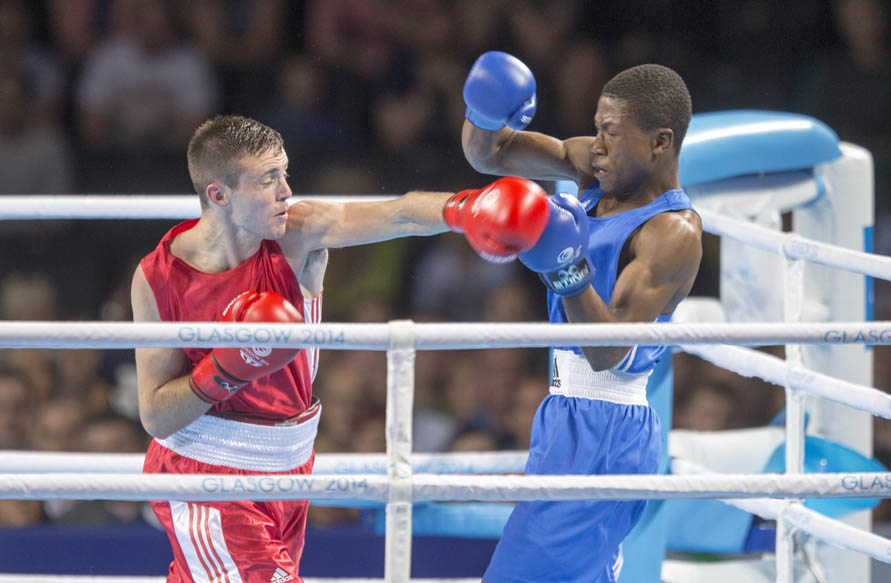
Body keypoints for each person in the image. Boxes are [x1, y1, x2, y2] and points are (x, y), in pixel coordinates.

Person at [131, 114, 471, 582]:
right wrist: (224, 372)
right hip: (205, 474)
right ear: (219, 194)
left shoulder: (298, 234)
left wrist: (470, 209)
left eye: (285, 173)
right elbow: (154, 415)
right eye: (269, 179)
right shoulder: (158, 277)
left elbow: (401, 213)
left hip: (288, 468)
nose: (286, 191)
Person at [451, 51, 703, 582]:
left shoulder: (672, 232)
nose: (599, 146)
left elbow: (608, 350)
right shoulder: (597, 170)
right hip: (565, 411)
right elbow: (488, 156)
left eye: (611, 133)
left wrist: (566, 267)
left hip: (607, 425)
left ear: (660, 141)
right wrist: (484, 112)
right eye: (597, 130)